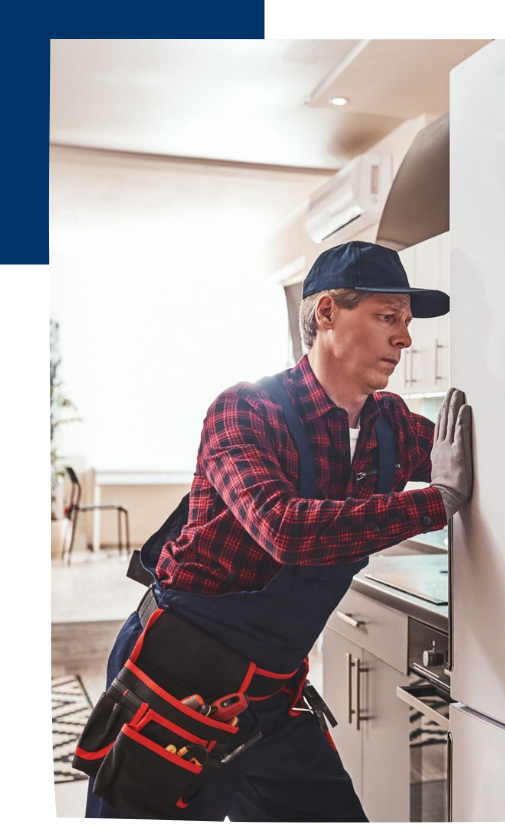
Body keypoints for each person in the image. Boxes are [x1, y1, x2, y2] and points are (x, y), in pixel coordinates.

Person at [82, 241, 473, 820]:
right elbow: (284, 529)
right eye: (387, 317)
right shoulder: (245, 411)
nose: (405, 339)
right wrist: (437, 503)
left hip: (269, 700)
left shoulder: (390, 427)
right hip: (176, 685)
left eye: (406, 323)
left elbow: (476, 454)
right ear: (326, 315)